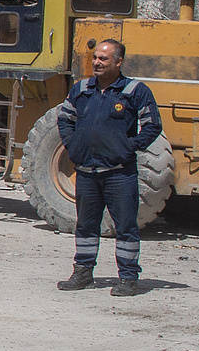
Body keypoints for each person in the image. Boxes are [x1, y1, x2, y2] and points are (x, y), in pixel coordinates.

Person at [54, 38, 162, 297]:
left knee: (125, 227)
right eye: (95, 58)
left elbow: (152, 126)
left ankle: (128, 278)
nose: (97, 63)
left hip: (119, 173)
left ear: (118, 62)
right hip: (87, 173)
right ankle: (83, 273)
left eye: (103, 58)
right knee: (85, 226)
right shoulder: (81, 89)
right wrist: (73, 146)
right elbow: (65, 119)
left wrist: (128, 147)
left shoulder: (135, 91)